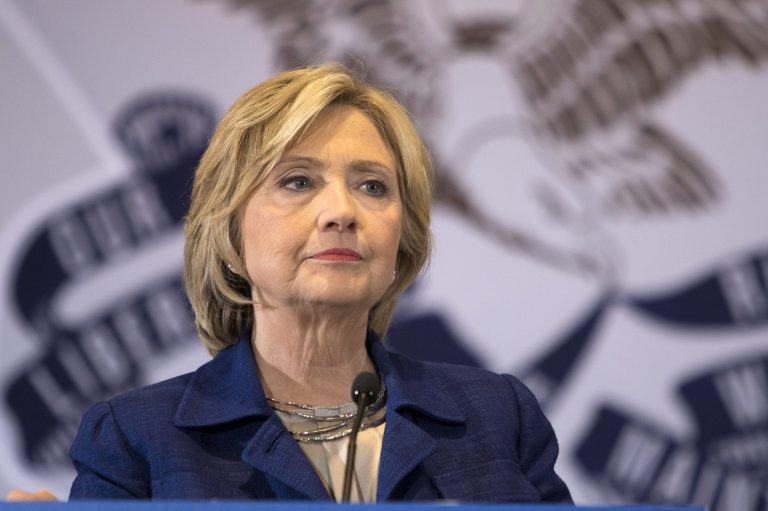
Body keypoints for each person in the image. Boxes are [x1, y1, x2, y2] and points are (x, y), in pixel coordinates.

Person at [15, 64, 572, 502]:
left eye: (373, 186)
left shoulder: (498, 416)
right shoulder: (136, 439)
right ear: (230, 230)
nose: (342, 211)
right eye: (298, 181)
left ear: (403, 237)